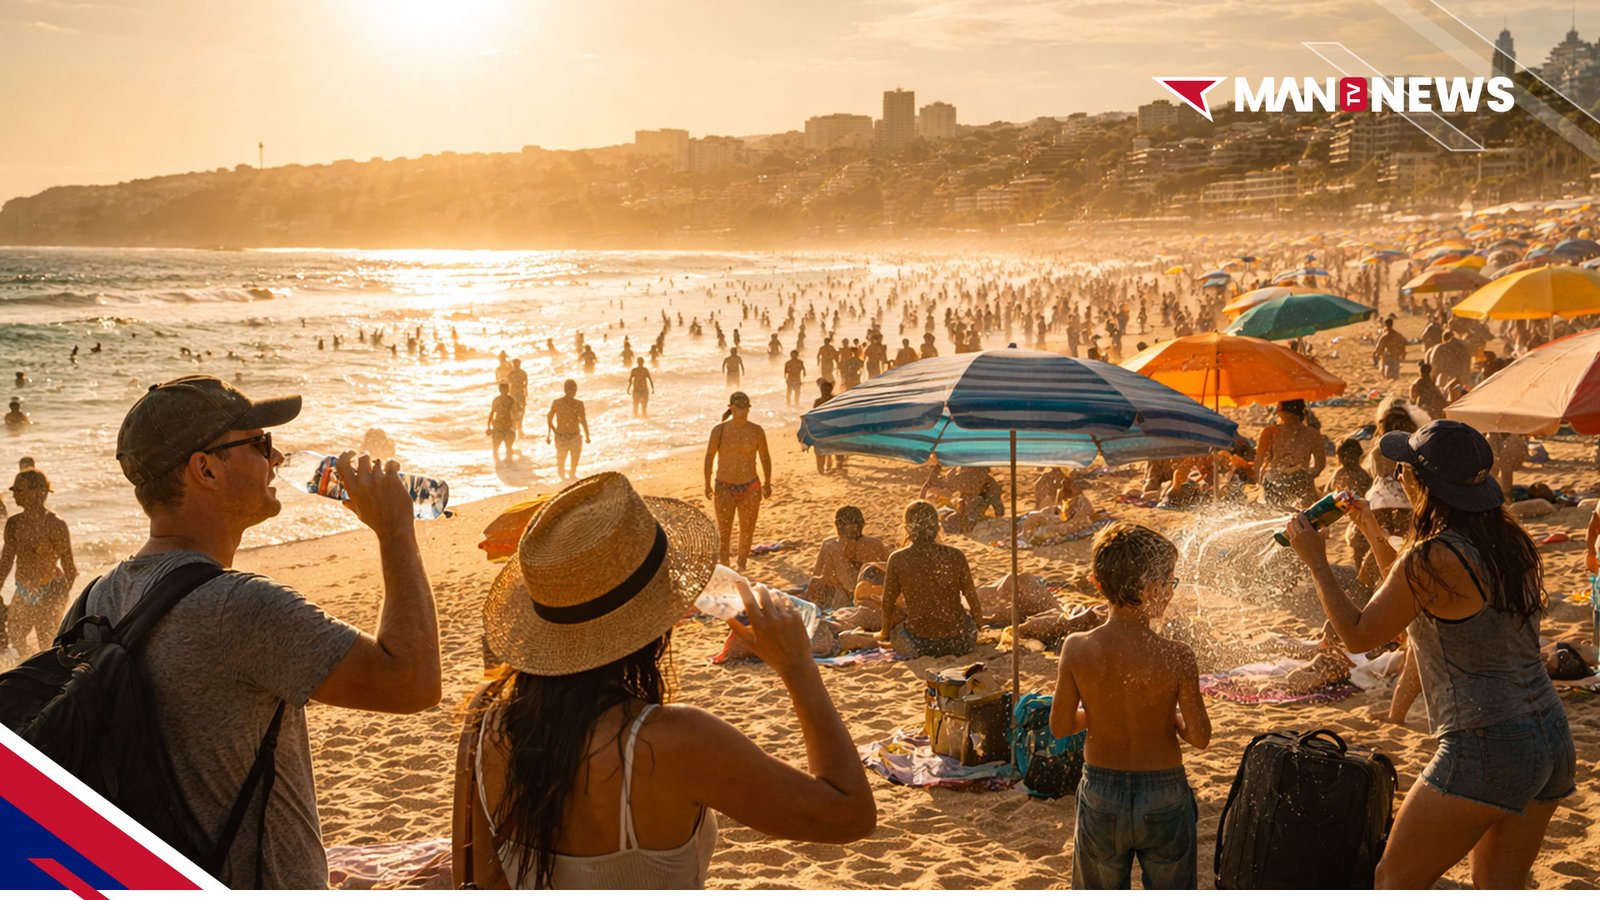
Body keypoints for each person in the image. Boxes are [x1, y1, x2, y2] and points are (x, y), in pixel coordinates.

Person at [92, 375, 440, 888]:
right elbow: (413, 682)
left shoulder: (95, 600)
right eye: (260, 444)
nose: (277, 459)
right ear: (206, 469)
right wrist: (395, 532)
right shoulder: (238, 607)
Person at [452, 473, 875, 889]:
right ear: (655, 618)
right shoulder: (674, 740)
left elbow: (475, 879)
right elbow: (849, 814)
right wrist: (798, 669)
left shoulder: (488, 722)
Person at [1284, 420, 1574, 889]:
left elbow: (1359, 636)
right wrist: (1371, 530)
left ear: (1423, 483)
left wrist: (1317, 560)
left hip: (1487, 740)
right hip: (1550, 735)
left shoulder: (1432, 557)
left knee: (1394, 881)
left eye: (1405, 468)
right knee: (1499, 885)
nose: (1399, 475)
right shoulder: (1508, 542)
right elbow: (1409, 606)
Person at [1049, 522, 1209, 890]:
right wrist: (1168, 717)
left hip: (1101, 790)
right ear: (1151, 588)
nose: (1171, 590)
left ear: (1097, 582)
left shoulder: (1077, 647)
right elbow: (1200, 737)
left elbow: (1060, 726)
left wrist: (1102, 712)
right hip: (1164, 791)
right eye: (1169, 582)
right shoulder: (1176, 655)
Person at [877, 501, 983, 658]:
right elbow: (972, 598)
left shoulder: (898, 559)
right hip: (959, 641)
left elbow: (887, 603)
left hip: (919, 643)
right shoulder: (955, 556)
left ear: (907, 529)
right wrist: (980, 625)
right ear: (937, 527)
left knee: (897, 631)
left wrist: (885, 633)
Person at [0, 468, 76, 655]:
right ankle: (28, 664)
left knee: (47, 641)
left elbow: (69, 568)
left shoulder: (55, 524)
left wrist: (59, 600)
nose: (14, 494)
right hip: (23, 589)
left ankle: (46, 668)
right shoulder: (14, 523)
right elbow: (6, 560)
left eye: (19, 490)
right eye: (14, 490)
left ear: (39, 493)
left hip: (51, 589)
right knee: (16, 635)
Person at [703, 392, 772, 570]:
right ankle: (725, 564)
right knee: (724, 531)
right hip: (724, 485)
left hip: (750, 485)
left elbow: (765, 458)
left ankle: (742, 563)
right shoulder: (719, 430)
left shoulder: (756, 430)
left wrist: (768, 482)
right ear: (731, 408)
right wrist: (707, 483)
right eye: (738, 408)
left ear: (749, 408)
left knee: (747, 529)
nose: (742, 411)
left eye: (745, 408)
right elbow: (709, 457)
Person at [807, 506, 888, 609]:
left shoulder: (831, 545)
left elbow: (819, 575)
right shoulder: (874, 543)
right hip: (870, 596)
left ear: (838, 526)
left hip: (846, 598)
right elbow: (890, 569)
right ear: (862, 525)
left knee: (814, 585)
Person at [1255, 399, 1325, 509]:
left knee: (1279, 514)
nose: (1276, 411)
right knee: (1302, 514)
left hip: (1280, 482)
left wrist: (1258, 479)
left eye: (1279, 408)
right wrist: (1307, 475)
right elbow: (1320, 465)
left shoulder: (1270, 432)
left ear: (1288, 412)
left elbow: (1259, 461)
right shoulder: (1312, 434)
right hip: (1295, 483)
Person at [547, 380, 591, 480]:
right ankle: (562, 480)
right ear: (565, 390)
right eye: (571, 389)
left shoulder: (579, 404)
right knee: (561, 463)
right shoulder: (557, 402)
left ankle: (572, 476)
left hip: (575, 435)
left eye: (575, 390)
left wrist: (587, 435)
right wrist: (551, 433)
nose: (573, 392)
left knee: (574, 462)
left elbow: (583, 420)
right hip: (561, 436)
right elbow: (549, 417)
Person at [487, 383, 518, 461]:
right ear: (500, 390)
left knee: (509, 448)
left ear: (508, 390)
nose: (505, 391)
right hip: (498, 426)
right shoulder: (496, 400)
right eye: (503, 389)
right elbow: (492, 413)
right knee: (495, 450)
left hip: (508, 425)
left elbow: (515, 412)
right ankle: (498, 465)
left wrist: (514, 424)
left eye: (506, 389)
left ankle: (509, 466)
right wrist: (488, 426)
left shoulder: (511, 399)